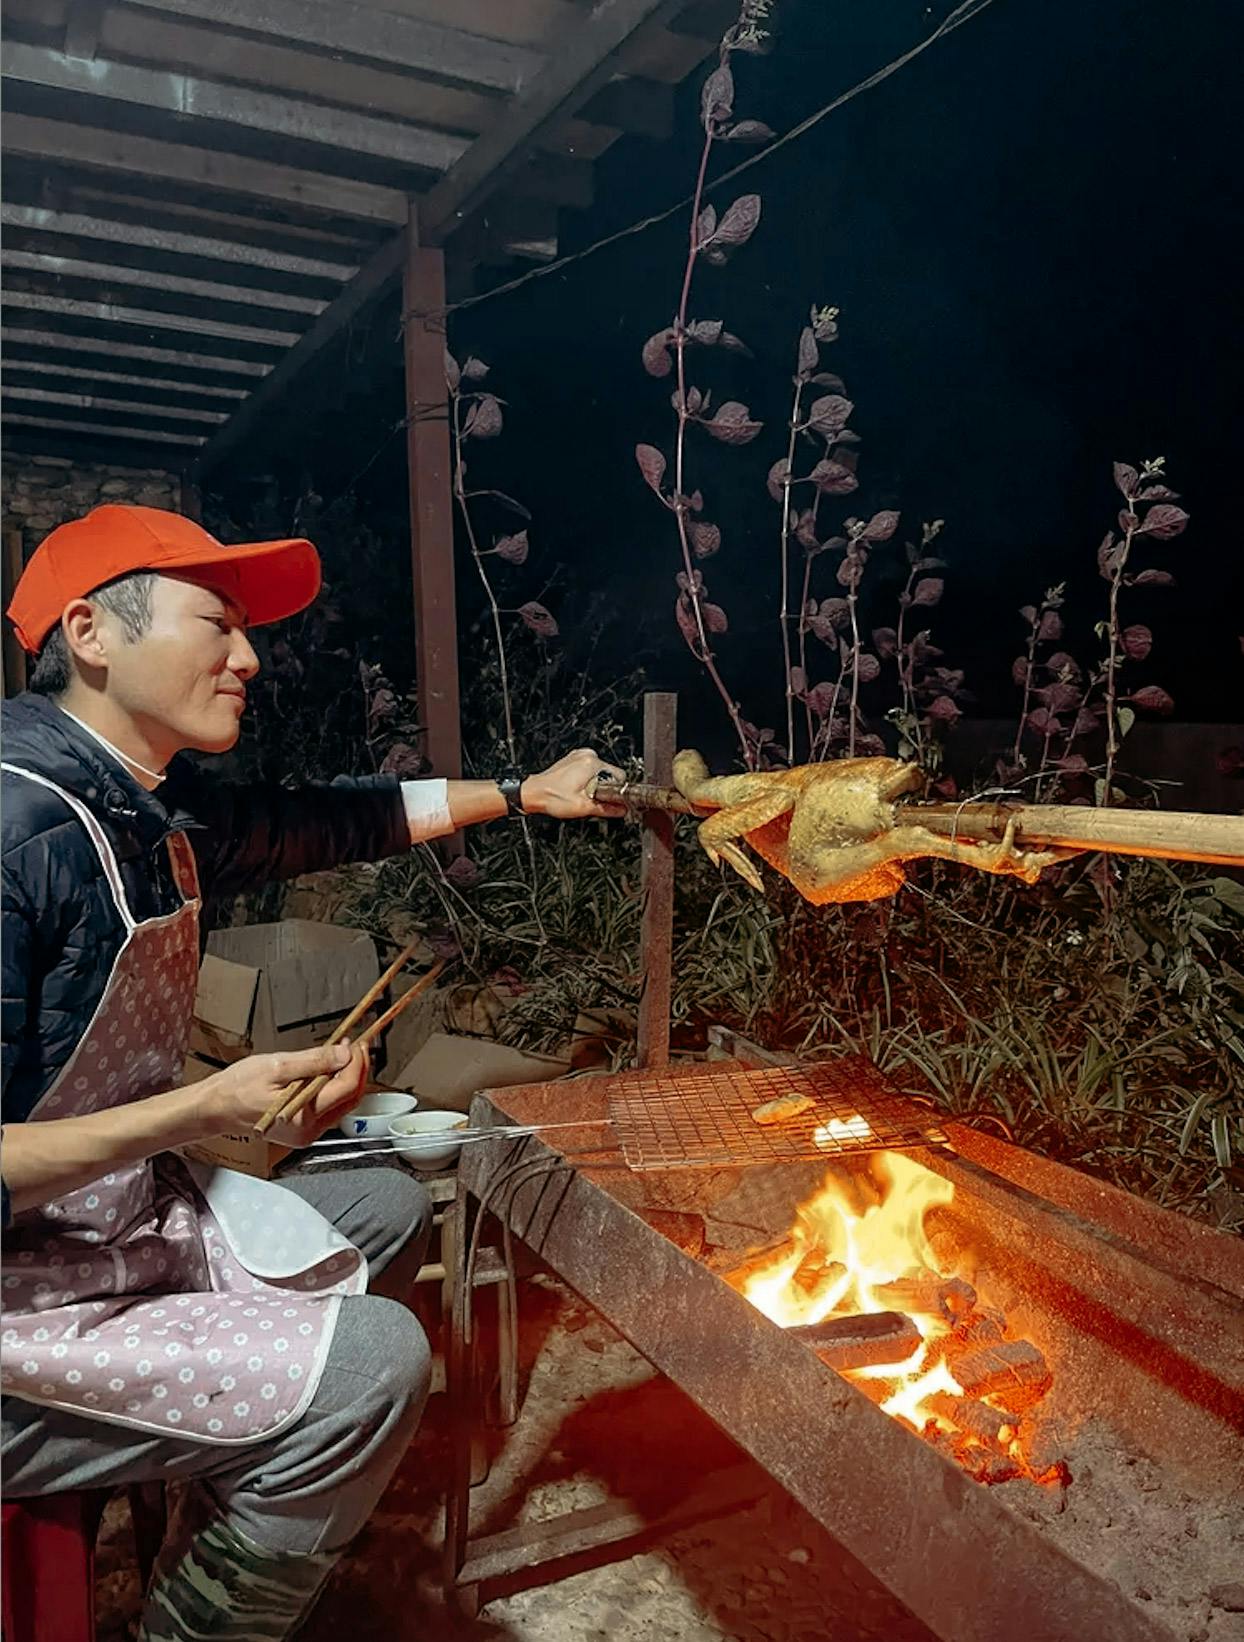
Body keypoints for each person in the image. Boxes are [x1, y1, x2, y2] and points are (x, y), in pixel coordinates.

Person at [0, 504, 625, 1641]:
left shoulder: (137, 804)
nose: (248, 657)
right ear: (91, 631)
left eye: (246, 630)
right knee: (379, 1359)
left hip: (102, 1227)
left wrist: (522, 792)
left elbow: (326, 822)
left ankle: (237, 1499)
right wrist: (204, 1105)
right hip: (24, 1306)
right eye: (216, 624)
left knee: (380, 1194)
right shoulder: (15, 831)